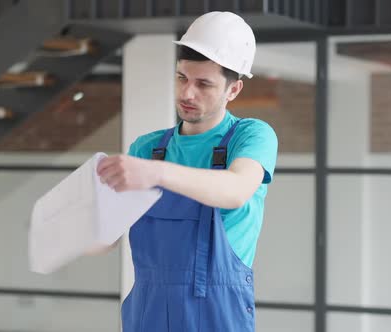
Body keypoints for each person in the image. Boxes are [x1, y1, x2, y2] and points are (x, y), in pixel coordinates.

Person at [96, 11, 278, 331]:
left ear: (232, 90)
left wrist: (156, 174)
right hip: (148, 311)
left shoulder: (251, 136)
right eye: (182, 78)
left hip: (217, 316)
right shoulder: (148, 149)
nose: (186, 94)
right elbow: (107, 235)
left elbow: (235, 191)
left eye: (203, 84)